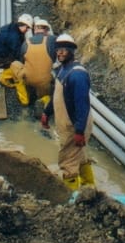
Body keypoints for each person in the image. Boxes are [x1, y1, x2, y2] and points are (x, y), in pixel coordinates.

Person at [39, 33, 95, 190]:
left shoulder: (77, 74)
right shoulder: (63, 70)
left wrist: (79, 131)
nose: (60, 53)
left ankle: (72, 200)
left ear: (71, 51)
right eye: (58, 49)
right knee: (80, 157)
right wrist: (46, 112)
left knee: (67, 162)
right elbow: (56, 96)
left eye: (64, 50)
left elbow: (82, 105)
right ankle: (90, 190)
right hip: (71, 125)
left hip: (75, 125)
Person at [0, 13, 32, 105]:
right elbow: (17, 55)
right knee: (18, 69)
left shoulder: (13, 27)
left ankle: (3, 78)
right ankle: (24, 100)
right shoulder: (14, 37)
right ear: (22, 24)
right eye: (27, 27)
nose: (28, 30)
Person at [18, 18, 56, 108]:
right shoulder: (52, 40)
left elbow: (21, 61)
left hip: (29, 80)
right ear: (47, 30)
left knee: (15, 65)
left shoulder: (26, 42)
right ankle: (44, 99)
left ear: (34, 29)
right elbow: (56, 58)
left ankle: (25, 98)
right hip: (45, 82)